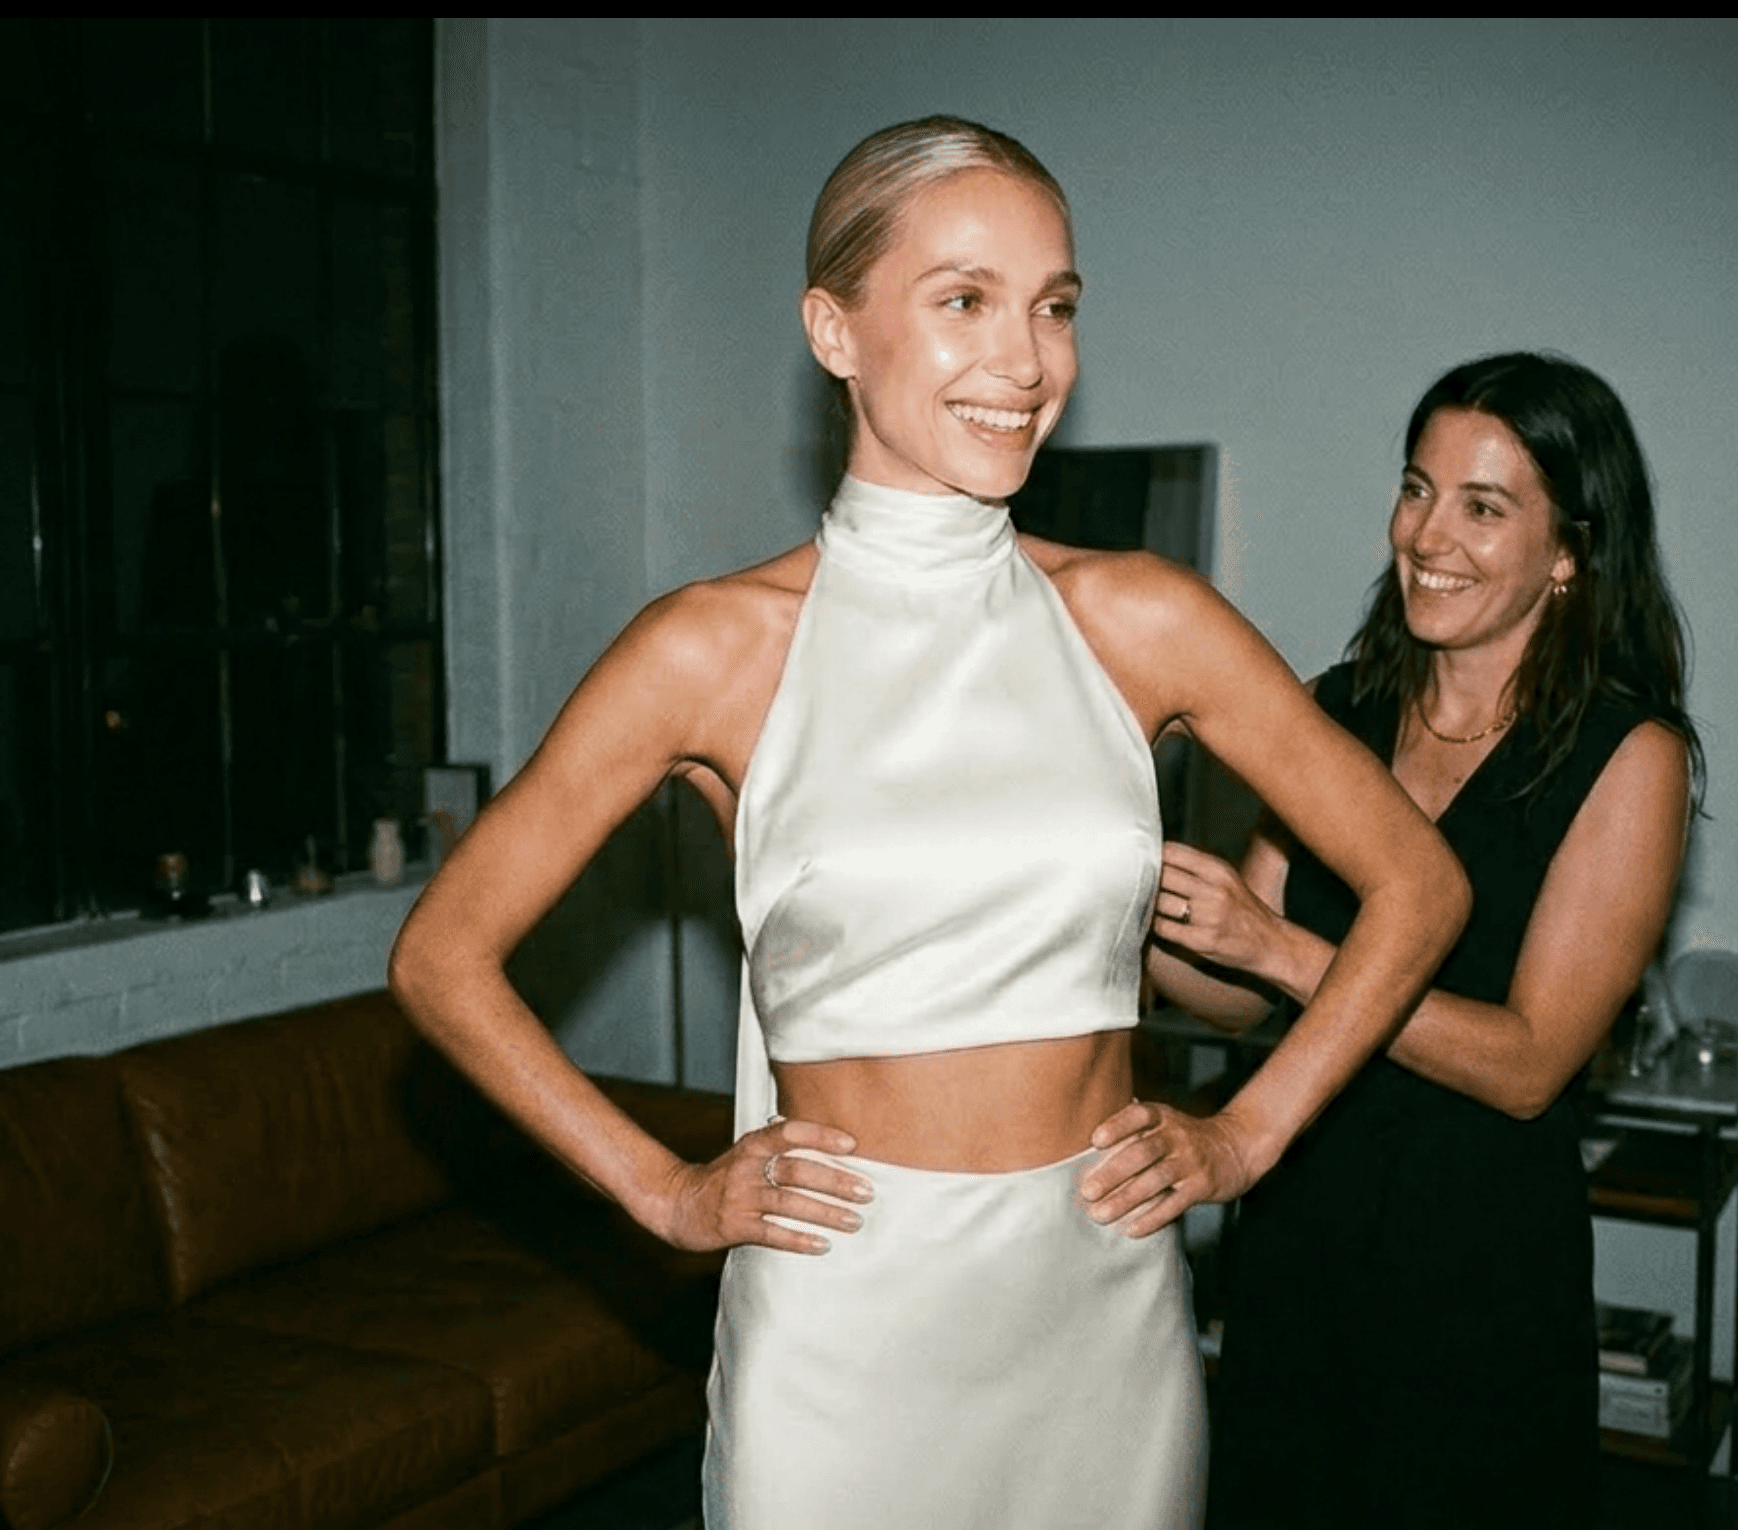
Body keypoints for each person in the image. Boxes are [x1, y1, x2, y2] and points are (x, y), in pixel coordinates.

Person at [389, 116, 1470, 1530]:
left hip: (1097, 1303)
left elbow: (1417, 886)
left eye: (1054, 306)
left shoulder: (1141, 616)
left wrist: (1246, 1138)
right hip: (841, 1320)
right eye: (962, 300)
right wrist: (660, 1193)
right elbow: (442, 956)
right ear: (832, 331)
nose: (1023, 361)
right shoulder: (711, 648)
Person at [1136, 352, 1700, 1529]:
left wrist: (1287, 953)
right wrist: (1123, 903)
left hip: (1474, 1270)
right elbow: (1234, 996)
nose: (1426, 533)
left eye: (1483, 506)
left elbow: (1532, 1063)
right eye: (1416, 487)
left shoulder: (1623, 755)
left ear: (1569, 552)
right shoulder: (1335, 709)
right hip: (1295, 1236)